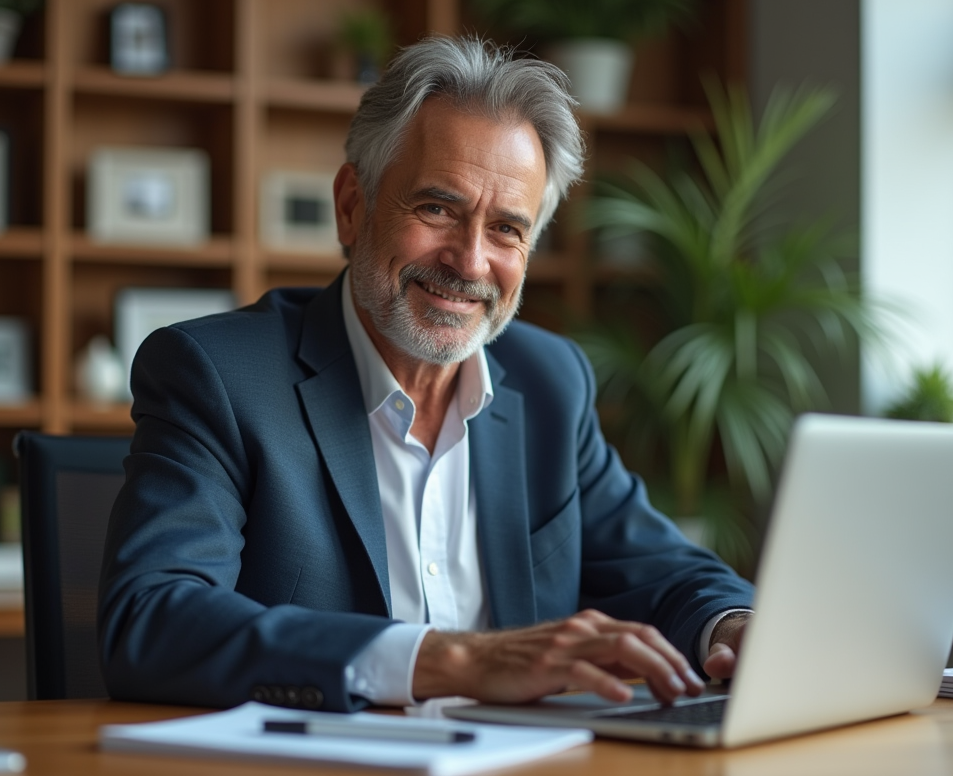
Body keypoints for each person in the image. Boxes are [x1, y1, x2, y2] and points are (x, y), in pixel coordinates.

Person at [98, 36, 754, 713]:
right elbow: (151, 621)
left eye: (506, 229)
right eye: (438, 208)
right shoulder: (220, 377)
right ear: (353, 205)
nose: (470, 262)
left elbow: (664, 571)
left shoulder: (551, 381)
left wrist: (733, 628)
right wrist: (454, 658)